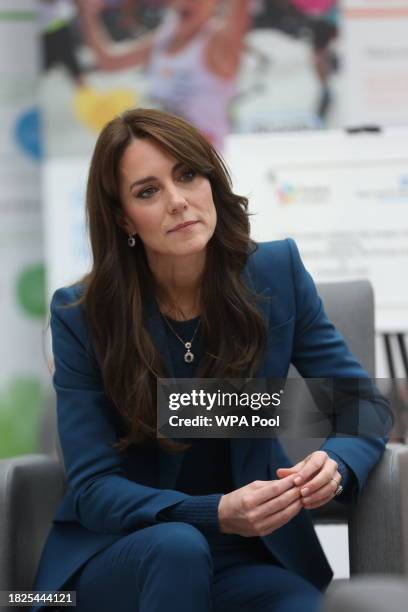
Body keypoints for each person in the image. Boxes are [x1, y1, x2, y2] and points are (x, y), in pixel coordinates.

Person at [32, 108, 391, 612]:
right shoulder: (84, 315)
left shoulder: (275, 273)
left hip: (249, 562)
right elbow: (94, 488)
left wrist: (334, 464)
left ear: (210, 180)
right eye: (147, 191)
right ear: (121, 217)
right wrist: (215, 512)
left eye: (187, 175)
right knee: (179, 547)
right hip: (126, 559)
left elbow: (361, 407)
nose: (178, 202)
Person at [78, 0, 251, 149]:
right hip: (159, 155)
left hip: (199, 163)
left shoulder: (218, 43)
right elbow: (109, 62)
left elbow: (239, 12)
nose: (186, 2)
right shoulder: (166, 36)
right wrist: (88, 15)